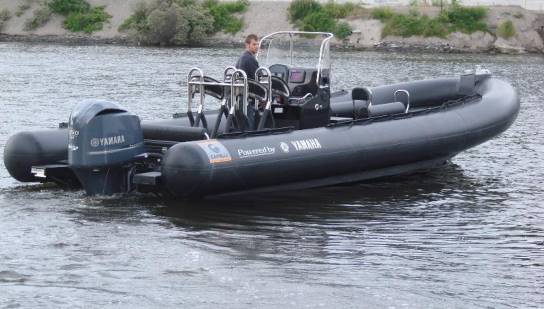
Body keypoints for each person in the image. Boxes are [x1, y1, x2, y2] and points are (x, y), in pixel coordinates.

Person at [235, 34, 260, 129]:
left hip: (239, 96)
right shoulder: (250, 59)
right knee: (249, 125)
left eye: (257, 44)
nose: (257, 46)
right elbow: (257, 79)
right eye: (254, 44)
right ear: (247, 45)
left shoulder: (242, 57)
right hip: (246, 97)